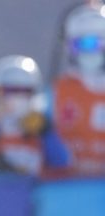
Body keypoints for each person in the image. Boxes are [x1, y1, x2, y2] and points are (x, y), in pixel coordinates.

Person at [0, 55, 69, 176]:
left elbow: (61, 163)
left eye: (24, 91)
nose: (17, 97)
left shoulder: (39, 127)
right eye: (10, 91)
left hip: (31, 193)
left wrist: (46, 131)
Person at [52, 2, 105, 176]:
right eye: (80, 45)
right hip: (70, 188)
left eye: (94, 44)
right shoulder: (59, 91)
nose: (88, 52)